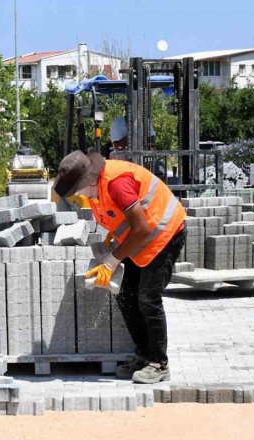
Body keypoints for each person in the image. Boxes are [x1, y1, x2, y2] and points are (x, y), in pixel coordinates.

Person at [53, 150, 186, 384]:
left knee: (148, 298)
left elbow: (143, 228)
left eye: (77, 191)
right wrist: (111, 241)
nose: (78, 197)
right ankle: (143, 355)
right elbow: (122, 220)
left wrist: (113, 259)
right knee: (125, 293)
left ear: (90, 180)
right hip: (141, 235)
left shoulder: (116, 184)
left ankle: (159, 363)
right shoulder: (96, 190)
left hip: (164, 233)